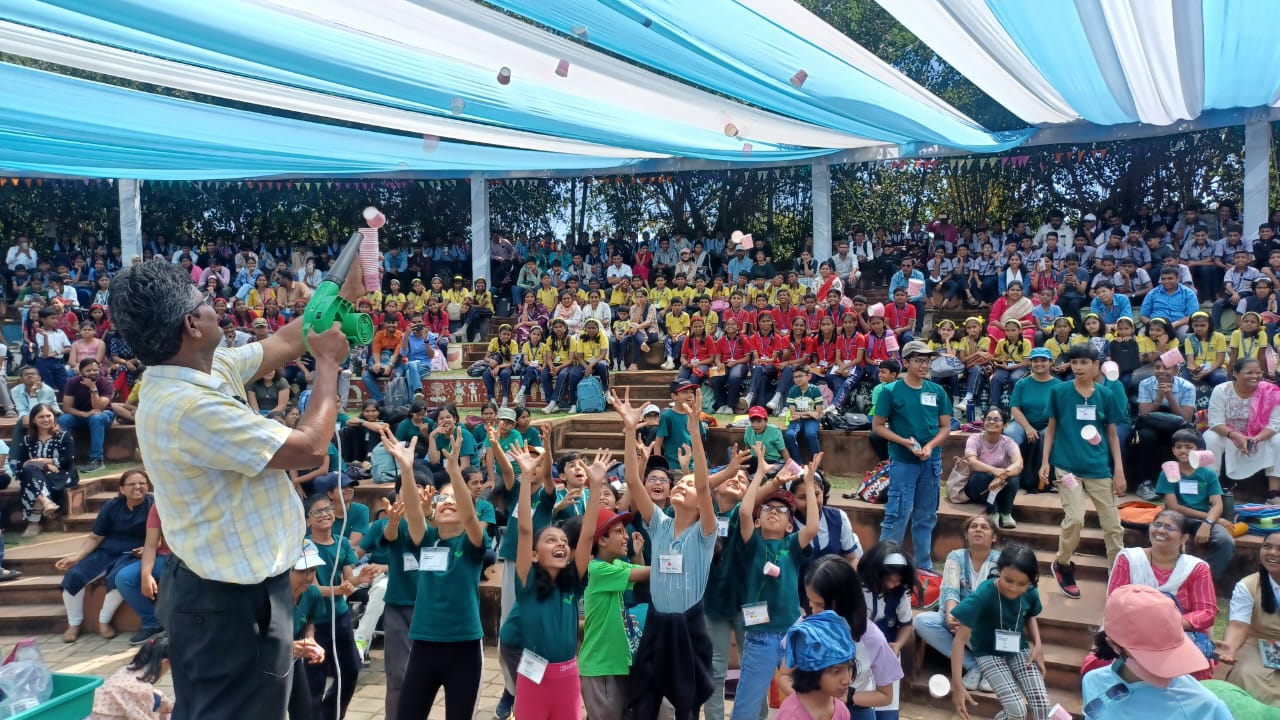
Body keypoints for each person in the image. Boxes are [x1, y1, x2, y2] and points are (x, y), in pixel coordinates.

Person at [109, 257, 357, 720]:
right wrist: (327, 365)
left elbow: (286, 339)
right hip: (222, 606)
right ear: (191, 325)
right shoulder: (187, 406)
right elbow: (309, 448)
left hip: (256, 591)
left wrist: (342, 288)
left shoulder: (204, 368)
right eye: (205, 303)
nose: (216, 308)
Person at [620, 387, 718, 720]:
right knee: (644, 703)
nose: (681, 486)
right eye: (681, 483)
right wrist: (630, 429)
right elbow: (634, 481)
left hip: (688, 630)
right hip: (657, 626)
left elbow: (704, 486)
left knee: (687, 709)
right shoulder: (659, 524)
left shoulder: (704, 532)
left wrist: (694, 432)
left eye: (686, 485)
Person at [729, 452, 820, 720]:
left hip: (792, 632)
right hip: (759, 637)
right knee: (747, 702)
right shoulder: (753, 545)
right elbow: (745, 510)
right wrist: (759, 475)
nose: (773, 513)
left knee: (803, 694)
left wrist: (810, 482)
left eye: (781, 511)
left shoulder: (792, 545)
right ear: (757, 522)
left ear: (790, 524)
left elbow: (812, 527)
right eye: (767, 509)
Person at [1086, 508, 1217, 680]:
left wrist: (1166, 625)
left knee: (1191, 670)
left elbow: (1206, 612)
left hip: (1177, 634)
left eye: (1169, 527)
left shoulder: (1197, 568)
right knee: (1100, 667)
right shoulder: (1129, 559)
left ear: (1184, 538)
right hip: (1131, 630)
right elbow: (1116, 601)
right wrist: (1146, 627)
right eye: (1157, 525)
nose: (1161, 530)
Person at [1040, 344, 1126, 598]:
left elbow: (1112, 434)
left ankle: (1118, 576)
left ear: (1096, 365)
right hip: (1067, 468)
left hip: (1099, 468)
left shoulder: (1106, 395)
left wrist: (1118, 470)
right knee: (1075, 518)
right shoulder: (1059, 392)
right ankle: (1063, 563)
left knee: (1113, 526)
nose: (1078, 367)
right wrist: (1045, 462)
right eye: (1074, 362)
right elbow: (1051, 429)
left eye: (1084, 362)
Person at [1082, 585, 1231, 720]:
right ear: (1114, 646)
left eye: (1172, 653)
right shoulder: (1093, 682)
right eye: (1152, 657)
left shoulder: (1203, 706)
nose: (1167, 669)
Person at [872, 340, 951, 570]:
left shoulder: (937, 390)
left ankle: (923, 566)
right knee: (897, 513)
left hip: (931, 460)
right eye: (918, 360)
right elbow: (878, 426)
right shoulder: (890, 391)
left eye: (927, 361)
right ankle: (884, 564)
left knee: (926, 514)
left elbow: (945, 426)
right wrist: (904, 442)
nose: (924, 365)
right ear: (905, 362)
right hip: (904, 460)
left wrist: (930, 446)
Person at [950, 544, 1049, 720]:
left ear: (1031, 581)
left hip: (1018, 648)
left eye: (1022, 584)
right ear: (999, 571)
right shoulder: (984, 594)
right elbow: (959, 641)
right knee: (1017, 712)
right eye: (1008, 580)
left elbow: (1030, 616)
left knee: (1043, 706)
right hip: (988, 653)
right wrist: (957, 687)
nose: (1013, 588)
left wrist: (1038, 646)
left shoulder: (1030, 591)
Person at [55, 468, 153, 642]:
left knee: (119, 578)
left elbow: (163, 536)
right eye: (132, 484)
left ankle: (104, 621)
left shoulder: (154, 505)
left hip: (133, 554)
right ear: (122, 489)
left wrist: (149, 548)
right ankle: (74, 624)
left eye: (142, 483)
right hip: (107, 551)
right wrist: (76, 557)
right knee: (74, 575)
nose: (138, 487)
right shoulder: (112, 506)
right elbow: (95, 537)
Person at [915, 515, 1001, 692]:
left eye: (984, 527)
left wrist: (969, 619)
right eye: (974, 527)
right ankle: (974, 666)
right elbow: (950, 589)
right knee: (923, 622)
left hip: (988, 623)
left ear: (994, 537)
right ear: (967, 535)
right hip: (959, 619)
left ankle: (990, 668)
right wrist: (951, 614)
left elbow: (998, 599)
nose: (978, 530)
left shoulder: (1001, 560)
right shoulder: (956, 556)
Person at [1156, 430, 1237, 582]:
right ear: (1173, 450)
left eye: (1188, 447)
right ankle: (1164, 580)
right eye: (1178, 447)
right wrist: (1213, 520)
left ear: (1199, 451)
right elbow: (1173, 506)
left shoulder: (1208, 474)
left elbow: (1217, 505)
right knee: (1162, 535)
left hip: (1204, 519)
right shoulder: (1169, 472)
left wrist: (1208, 523)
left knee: (1226, 542)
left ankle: (1203, 583)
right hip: (1176, 517)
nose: (1183, 450)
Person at [1218, 530, 1280, 705]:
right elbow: (1238, 625)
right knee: (1247, 675)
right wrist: (1229, 648)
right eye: (1267, 547)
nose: (1273, 553)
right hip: (1259, 643)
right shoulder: (1247, 585)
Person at [1205, 358, 1280, 505]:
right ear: (1235, 373)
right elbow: (1215, 422)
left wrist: (1256, 438)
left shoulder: (1270, 392)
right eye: (1249, 372)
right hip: (1228, 436)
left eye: (1258, 372)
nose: (1255, 376)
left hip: (1260, 437)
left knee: (1279, 440)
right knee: (1210, 437)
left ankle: (1273, 494)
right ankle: (1212, 491)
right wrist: (1236, 436)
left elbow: (1275, 423)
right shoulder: (1221, 390)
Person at [776, 612, 856, 720]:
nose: (847, 680)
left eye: (850, 667)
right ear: (812, 672)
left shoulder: (841, 711)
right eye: (836, 671)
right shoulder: (791, 715)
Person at [15, 402, 76, 538]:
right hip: (35, 474)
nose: (46, 420)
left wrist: (43, 461)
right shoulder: (27, 440)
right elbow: (20, 464)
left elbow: (68, 461)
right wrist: (45, 466)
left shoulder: (63, 436)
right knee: (30, 472)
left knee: (31, 476)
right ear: (33, 420)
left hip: (61, 474)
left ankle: (33, 523)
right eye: (41, 417)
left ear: (54, 417)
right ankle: (45, 502)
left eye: (49, 416)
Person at [962, 408, 1023, 528]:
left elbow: (1019, 464)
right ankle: (993, 512)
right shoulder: (975, 439)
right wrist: (994, 471)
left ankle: (1006, 513)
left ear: (1004, 425)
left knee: (1014, 478)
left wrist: (1002, 476)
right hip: (978, 489)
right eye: (988, 419)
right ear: (984, 422)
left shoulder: (1008, 442)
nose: (992, 422)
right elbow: (972, 462)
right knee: (982, 476)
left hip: (1000, 487)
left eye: (996, 420)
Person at [88, 635, 173, 720]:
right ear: (164, 663)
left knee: (158, 699)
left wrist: (167, 705)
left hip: (92, 713)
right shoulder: (141, 689)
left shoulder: (126, 670)